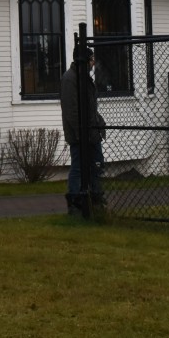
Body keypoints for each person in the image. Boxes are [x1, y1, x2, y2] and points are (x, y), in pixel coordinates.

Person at [60, 45, 106, 216]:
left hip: (91, 131)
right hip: (80, 134)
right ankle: (75, 201)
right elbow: (72, 111)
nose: (93, 63)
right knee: (79, 167)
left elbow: (89, 107)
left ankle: (95, 198)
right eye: (91, 59)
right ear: (85, 60)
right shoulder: (70, 79)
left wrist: (98, 122)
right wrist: (82, 133)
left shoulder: (84, 78)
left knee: (96, 164)